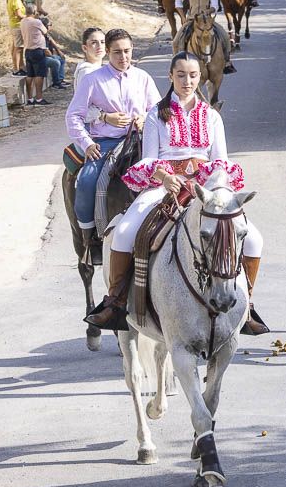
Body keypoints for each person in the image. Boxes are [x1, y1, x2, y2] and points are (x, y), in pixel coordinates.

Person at [85, 51, 268, 336]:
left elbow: (220, 160)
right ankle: (116, 302)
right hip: (163, 186)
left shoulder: (212, 117)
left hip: (204, 188)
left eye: (193, 75)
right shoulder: (157, 114)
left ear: (200, 77)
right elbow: (147, 160)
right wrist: (165, 176)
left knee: (253, 239)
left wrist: (210, 184)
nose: (187, 81)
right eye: (180, 75)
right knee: (123, 232)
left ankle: (247, 307)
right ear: (170, 76)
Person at [66, 29, 161, 263]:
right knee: (87, 180)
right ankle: (91, 241)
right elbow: (73, 116)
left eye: (127, 51)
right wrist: (87, 143)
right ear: (107, 52)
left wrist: (145, 119)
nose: (123, 57)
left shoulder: (143, 77)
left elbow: (158, 110)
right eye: (117, 52)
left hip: (140, 140)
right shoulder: (93, 79)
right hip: (106, 143)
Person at [174, 0, 236, 74]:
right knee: (176, 41)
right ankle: (176, 67)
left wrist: (209, 11)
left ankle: (227, 62)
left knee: (225, 36)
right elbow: (178, 2)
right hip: (192, 20)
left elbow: (215, 6)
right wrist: (183, 16)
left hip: (207, 21)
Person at [19, 4, 50, 106]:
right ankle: (39, 98)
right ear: (34, 11)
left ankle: (30, 98)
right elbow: (45, 31)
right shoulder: (36, 22)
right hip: (37, 50)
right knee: (39, 75)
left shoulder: (22, 21)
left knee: (30, 75)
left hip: (28, 50)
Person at [41, 17, 68, 90]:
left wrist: (59, 51)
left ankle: (60, 79)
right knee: (55, 62)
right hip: (42, 57)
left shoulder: (46, 34)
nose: (51, 26)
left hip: (48, 55)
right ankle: (56, 83)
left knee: (61, 59)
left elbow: (52, 42)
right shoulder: (40, 36)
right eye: (50, 25)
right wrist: (52, 56)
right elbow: (46, 52)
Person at [5, 0, 25, 75]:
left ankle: (20, 67)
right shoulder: (15, 0)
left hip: (14, 25)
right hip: (17, 26)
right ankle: (16, 69)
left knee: (16, 47)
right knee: (18, 48)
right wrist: (30, 17)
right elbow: (19, 15)